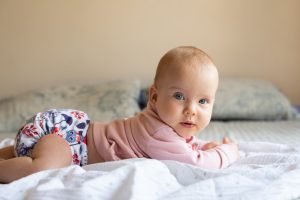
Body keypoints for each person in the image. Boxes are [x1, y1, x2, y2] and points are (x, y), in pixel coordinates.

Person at [0, 46, 239, 183]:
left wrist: (201, 144)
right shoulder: (157, 132)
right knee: (43, 168)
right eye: (179, 96)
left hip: (65, 132)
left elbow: (183, 145)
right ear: (154, 97)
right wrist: (226, 151)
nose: (191, 109)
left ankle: (11, 152)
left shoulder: (163, 127)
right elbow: (196, 162)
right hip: (68, 139)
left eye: (203, 101)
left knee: (27, 150)